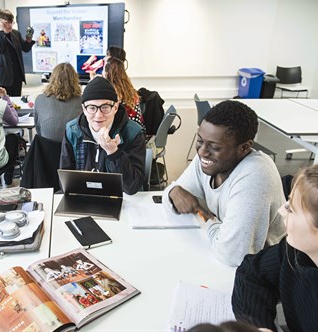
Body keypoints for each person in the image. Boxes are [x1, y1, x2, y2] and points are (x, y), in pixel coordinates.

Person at [162, 100, 286, 266]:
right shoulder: (208, 159)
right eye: (200, 140)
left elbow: (232, 255)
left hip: (263, 272)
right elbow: (174, 197)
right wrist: (173, 192)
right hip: (218, 259)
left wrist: (205, 217)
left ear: (244, 147)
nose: (202, 152)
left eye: (215, 147)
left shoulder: (256, 175)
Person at [232, 164, 318, 332]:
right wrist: (257, 326)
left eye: (291, 209)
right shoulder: (294, 251)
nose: (281, 210)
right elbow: (250, 272)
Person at [60, 76, 146, 195]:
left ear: (115, 107)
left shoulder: (133, 133)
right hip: (83, 197)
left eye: (105, 107)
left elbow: (132, 187)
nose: (98, 115)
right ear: (84, 109)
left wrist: (114, 153)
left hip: (122, 198)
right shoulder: (73, 131)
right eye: (92, 108)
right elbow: (65, 180)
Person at [0, 9, 35, 96]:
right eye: (7, 23)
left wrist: (29, 39)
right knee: (5, 103)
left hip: (17, 75)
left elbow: (25, 48)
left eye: (11, 22)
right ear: (0, 22)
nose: (9, 25)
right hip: (4, 77)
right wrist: (1, 32)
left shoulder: (16, 33)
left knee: (16, 102)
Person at [34, 63, 82, 142]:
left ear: (52, 78)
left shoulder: (40, 99)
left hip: (47, 150)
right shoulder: (82, 102)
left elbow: (39, 129)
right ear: (75, 80)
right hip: (73, 151)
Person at [103, 56, 145, 131]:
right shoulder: (128, 88)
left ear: (107, 72)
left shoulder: (111, 91)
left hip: (124, 134)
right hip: (137, 131)